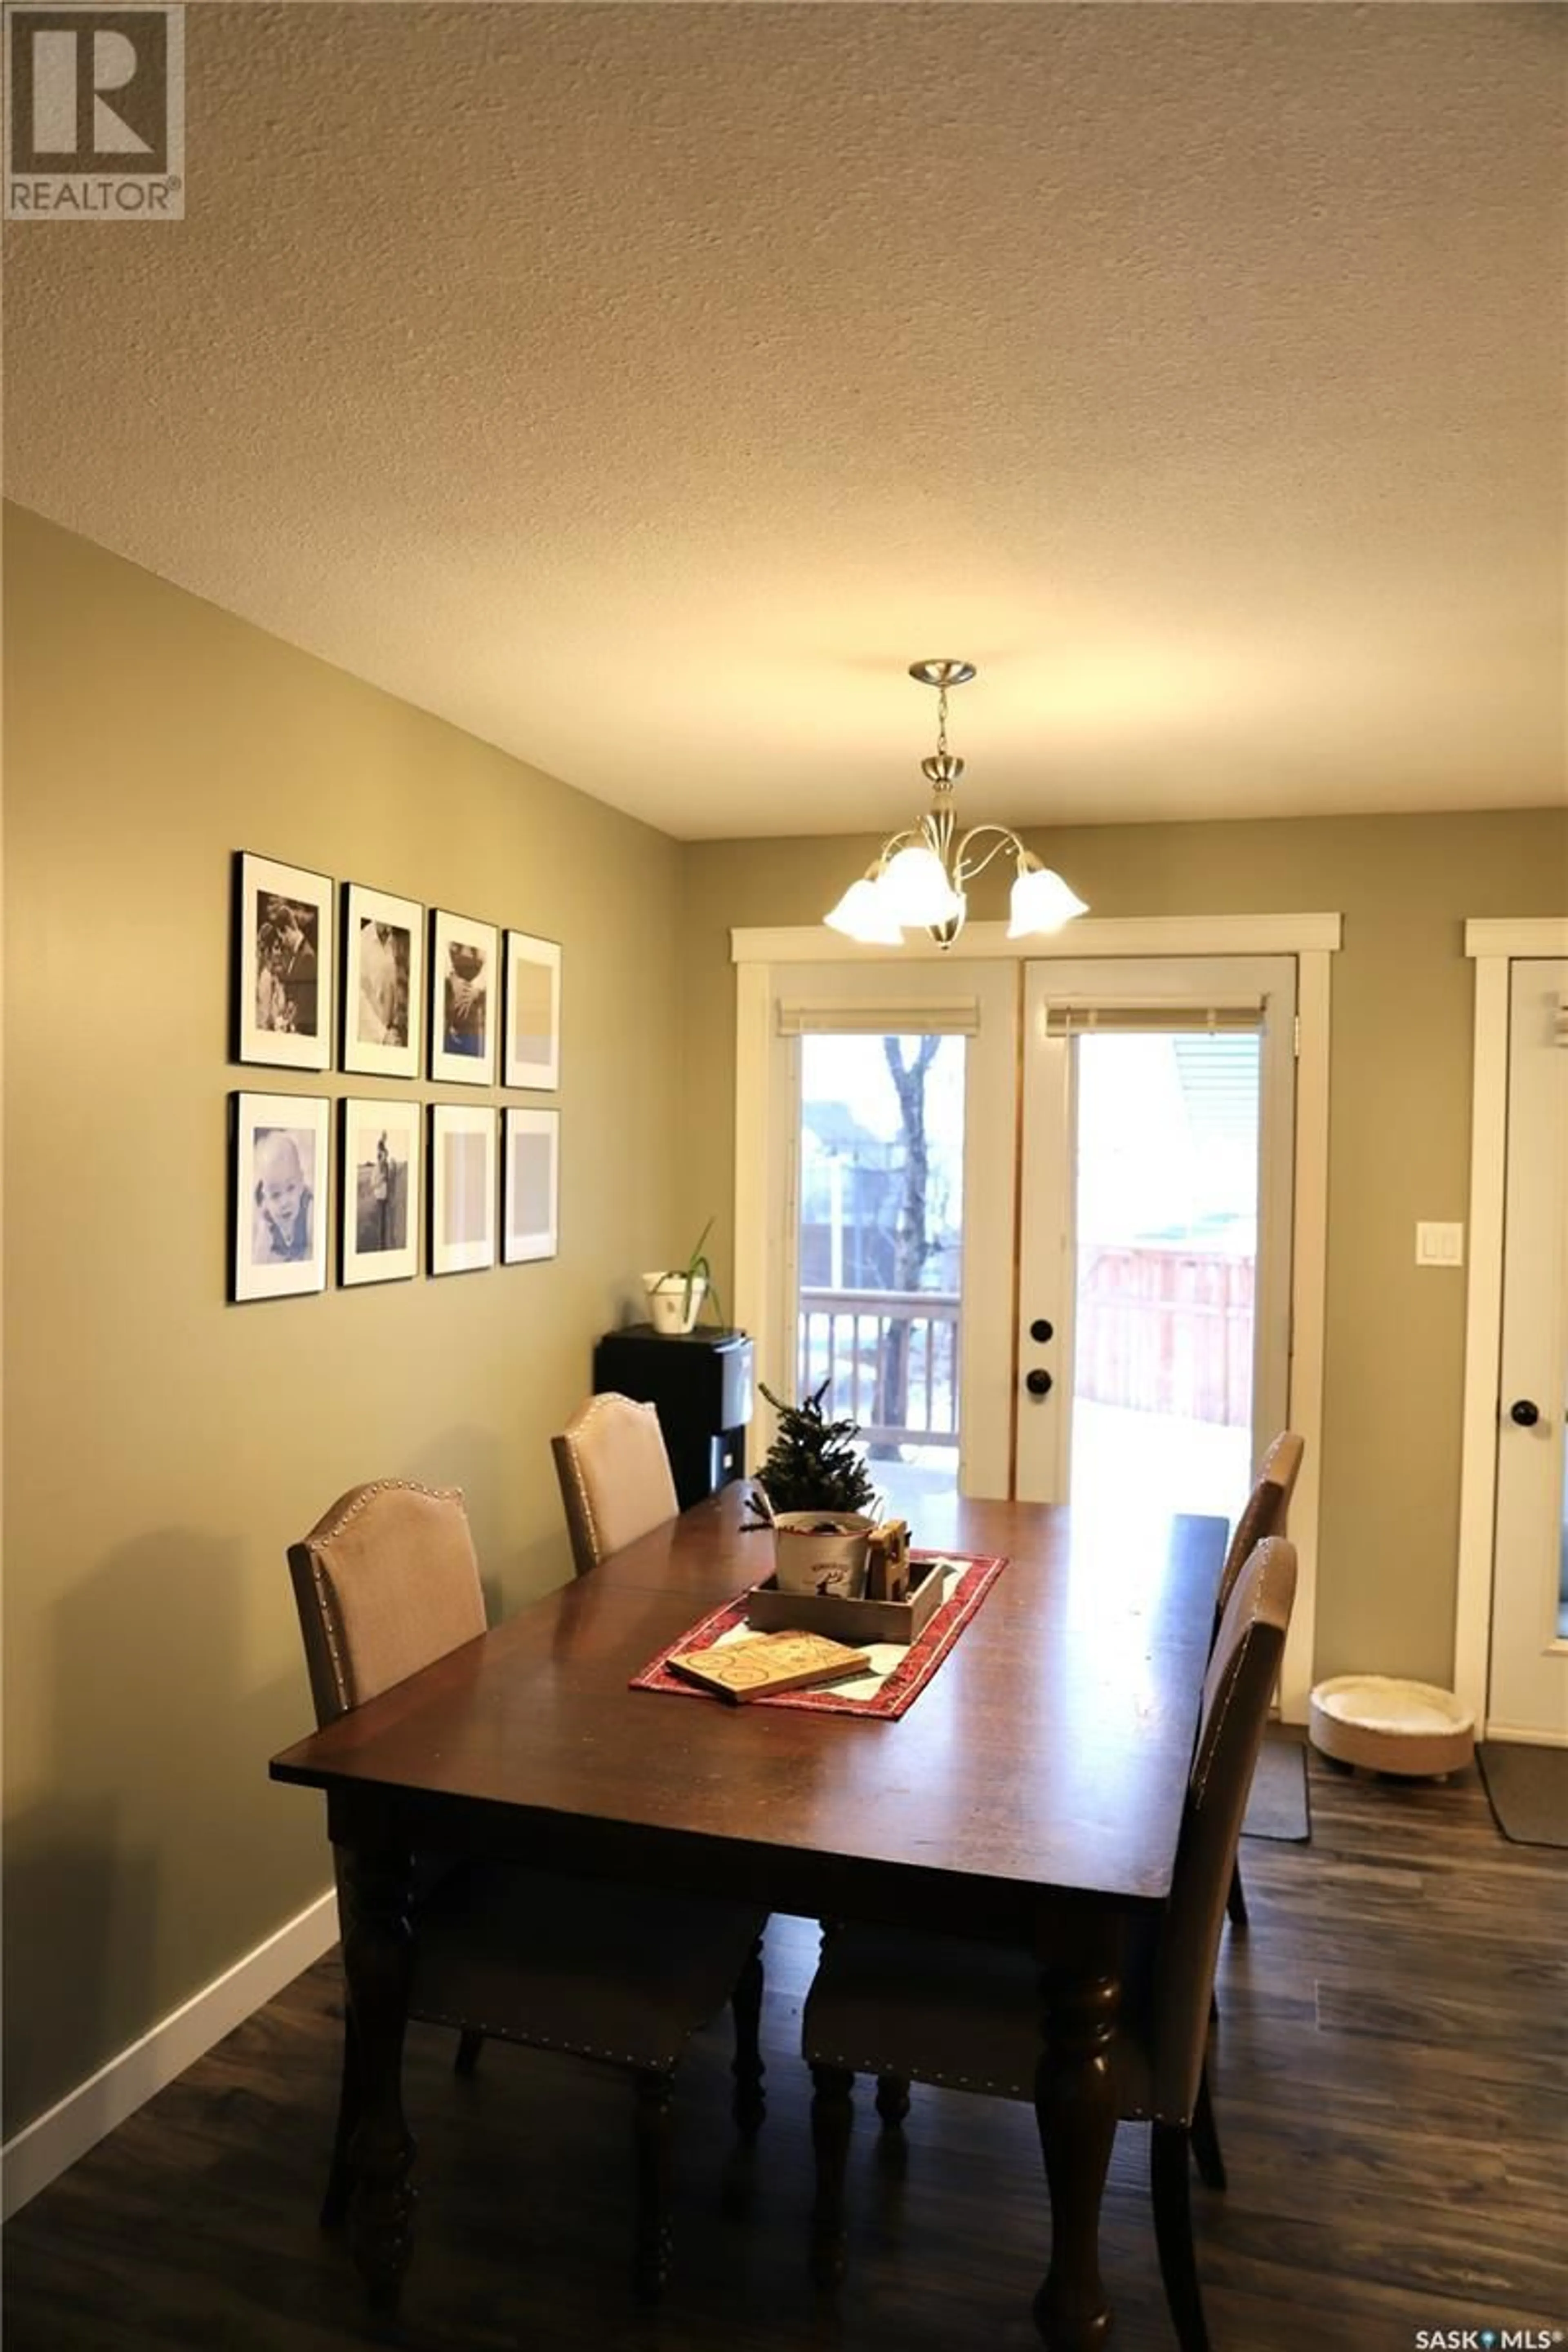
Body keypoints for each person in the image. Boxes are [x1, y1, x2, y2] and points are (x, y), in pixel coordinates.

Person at [252, 1130, 314, 1264]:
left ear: (301, 1183)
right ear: (266, 1196)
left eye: (291, 1188)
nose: (285, 1202)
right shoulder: (267, 1221)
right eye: (276, 1195)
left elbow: (315, 1256)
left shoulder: (309, 1210)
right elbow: (258, 1260)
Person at [358, 920, 403, 1047]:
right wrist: (382, 1035)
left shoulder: (396, 941)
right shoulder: (362, 941)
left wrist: (395, 1026)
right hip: (368, 1039)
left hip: (392, 1037)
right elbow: (359, 997)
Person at [444, 940, 486, 1057]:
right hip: (450, 996)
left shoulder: (481, 950)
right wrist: (453, 978)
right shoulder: (451, 947)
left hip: (474, 1006)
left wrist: (475, 989)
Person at [372, 1131, 392, 1250]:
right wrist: (381, 1180)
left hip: (385, 1196)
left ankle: (383, 1243)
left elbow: (387, 1180)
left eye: (386, 1157)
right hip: (380, 1197)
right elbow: (373, 1184)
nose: (385, 1158)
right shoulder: (376, 1169)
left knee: (385, 1222)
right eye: (384, 1157)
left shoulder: (385, 1167)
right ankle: (381, 1244)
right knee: (381, 1223)